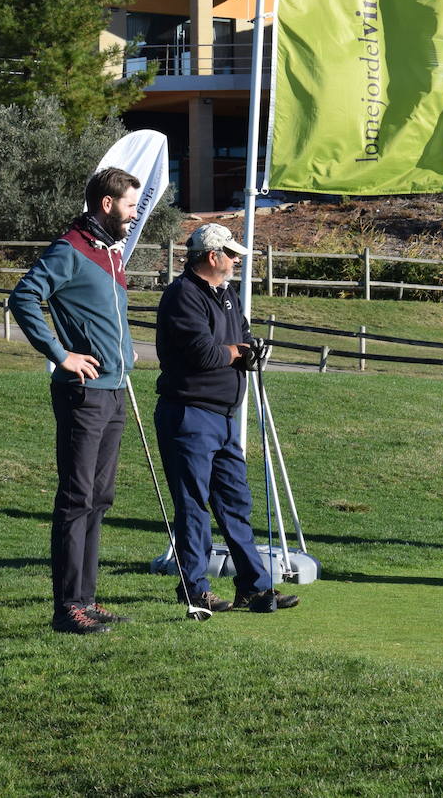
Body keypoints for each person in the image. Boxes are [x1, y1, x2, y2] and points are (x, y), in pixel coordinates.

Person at [9, 167, 142, 634]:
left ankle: (87, 598)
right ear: (107, 204)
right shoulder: (70, 248)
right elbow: (23, 297)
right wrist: (60, 354)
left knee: (100, 497)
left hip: (114, 390)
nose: (134, 213)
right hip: (82, 394)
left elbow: (107, 315)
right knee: (76, 497)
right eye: (129, 205)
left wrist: (125, 351)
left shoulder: (111, 253)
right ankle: (68, 608)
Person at [154, 223, 299, 614]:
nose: (237, 260)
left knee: (235, 502)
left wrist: (247, 349)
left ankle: (253, 586)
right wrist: (236, 351)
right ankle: (194, 588)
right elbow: (203, 353)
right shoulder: (182, 296)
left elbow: (241, 338)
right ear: (212, 256)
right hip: (188, 414)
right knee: (193, 505)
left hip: (222, 415)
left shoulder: (227, 295)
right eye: (231, 254)